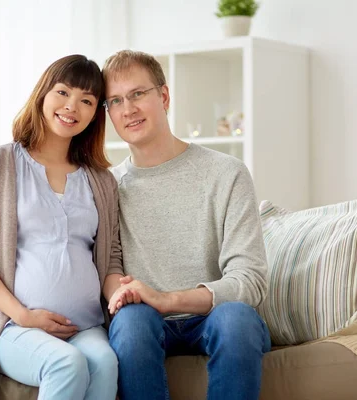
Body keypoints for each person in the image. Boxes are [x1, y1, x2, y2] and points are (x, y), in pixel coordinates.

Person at [0, 54, 125, 400]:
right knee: (66, 363)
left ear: (95, 113)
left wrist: (122, 295)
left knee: (105, 362)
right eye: (63, 92)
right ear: (43, 93)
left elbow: (111, 257)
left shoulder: (102, 181)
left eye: (86, 100)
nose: (72, 106)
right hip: (13, 325)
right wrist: (24, 315)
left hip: (85, 325)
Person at [101, 50, 272, 400]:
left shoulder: (226, 173)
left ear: (163, 96)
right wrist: (130, 295)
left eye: (137, 94)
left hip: (213, 318)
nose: (128, 109)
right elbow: (108, 269)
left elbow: (250, 280)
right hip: (144, 322)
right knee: (131, 324)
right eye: (115, 101)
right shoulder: (107, 187)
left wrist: (168, 299)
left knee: (237, 320)